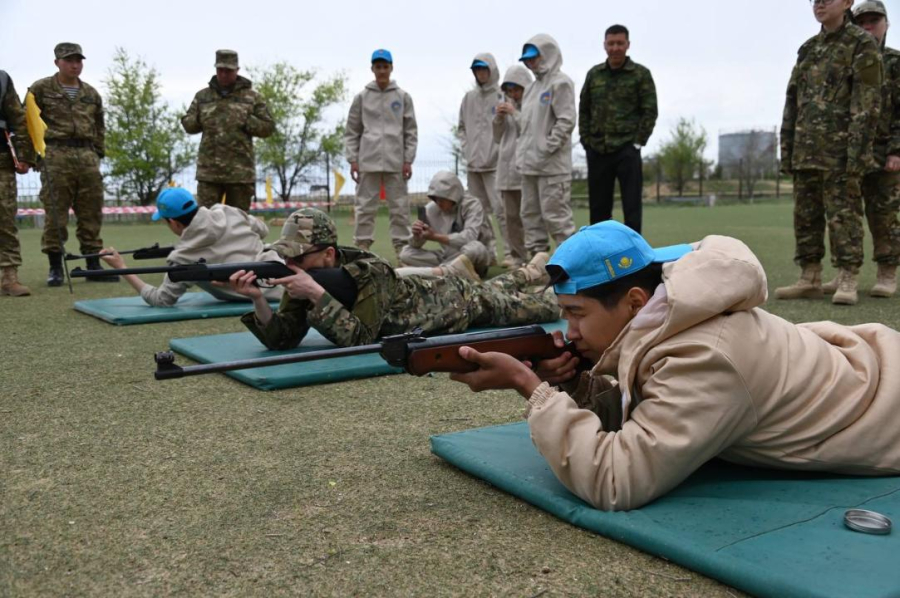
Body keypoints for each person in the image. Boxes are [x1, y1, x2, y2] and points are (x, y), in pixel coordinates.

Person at [449, 220, 900, 511]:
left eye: (577, 313)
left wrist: (532, 388)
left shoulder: (705, 358)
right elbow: (650, 410)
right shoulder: (673, 311)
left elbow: (615, 478)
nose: (569, 330)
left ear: (634, 302)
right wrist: (574, 388)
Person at [227, 208, 557, 350]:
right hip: (454, 293)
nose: (290, 264)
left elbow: (362, 340)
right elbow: (282, 339)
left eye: (298, 257)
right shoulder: (309, 276)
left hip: (455, 303)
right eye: (286, 257)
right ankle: (528, 272)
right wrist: (258, 300)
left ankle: (551, 282)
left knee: (542, 309)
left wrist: (315, 294)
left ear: (328, 254)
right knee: (494, 288)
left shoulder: (371, 271)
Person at [777, 0, 883, 305]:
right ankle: (809, 276)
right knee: (805, 216)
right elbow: (793, 101)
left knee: (844, 216)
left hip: (841, 151)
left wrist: (858, 153)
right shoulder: (808, 49)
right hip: (806, 148)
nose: (819, 3)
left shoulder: (861, 43)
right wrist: (788, 148)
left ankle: (848, 276)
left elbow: (867, 103)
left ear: (848, 2)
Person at [822, 0, 900, 298]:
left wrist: (896, 150)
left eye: (874, 21)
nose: (868, 27)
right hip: (847, 150)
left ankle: (887, 272)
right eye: (862, 22)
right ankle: (844, 272)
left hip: (883, 153)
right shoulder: (842, 60)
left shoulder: (895, 62)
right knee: (843, 215)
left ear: (886, 25)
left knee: (884, 215)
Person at [99, 187, 282, 306]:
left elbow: (161, 299)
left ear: (173, 222)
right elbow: (263, 230)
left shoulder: (183, 257)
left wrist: (122, 268)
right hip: (284, 266)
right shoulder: (227, 211)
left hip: (271, 295)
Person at [29, 42, 118, 285]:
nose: (75, 65)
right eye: (69, 60)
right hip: (55, 156)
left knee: (91, 212)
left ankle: (92, 264)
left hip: (86, 157)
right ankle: (56, 267)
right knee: (56, 213)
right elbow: (29, 121)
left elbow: (99, 125)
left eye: (78, 60)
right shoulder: (41, 89)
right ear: (57, 62)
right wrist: (34, 155)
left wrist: (97, 152)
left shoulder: (90, 93)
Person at [502, 34, 576, 257]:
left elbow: (566, 120)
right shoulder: (533, 88)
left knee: (556, 218)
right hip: (529, 167)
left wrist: (547, 148)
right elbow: (526, 125)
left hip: (551, 168)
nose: (530, 63)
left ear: (548, 54)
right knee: (530, 217)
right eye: (527, 59)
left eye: (534, 57)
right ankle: (538, 265)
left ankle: (570, 267)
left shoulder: (560, 82)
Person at [579, 24, 658, 232]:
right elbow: (584, 109)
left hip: (626, 150)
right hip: (597, 150)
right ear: (604, 45)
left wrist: (637, 142)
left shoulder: (640, 75)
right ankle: (600, 256)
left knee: (632, 208)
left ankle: (635, 260)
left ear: (628, 45)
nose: (615, 48)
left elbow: (650, 111)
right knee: (598, 211)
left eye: (619, 43)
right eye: (611, 43)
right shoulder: (594, 75)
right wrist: (586, 141)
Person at [344, 49, 417, 257]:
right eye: (378, 67)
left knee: (400, 209)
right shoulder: (362, 97)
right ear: (372, 69)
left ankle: (403, 250)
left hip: (396, 161)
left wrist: (408, 159)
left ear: (391, 68)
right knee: (365, 208)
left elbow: (410, 131)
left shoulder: (403, 97)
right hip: (368, 161)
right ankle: (362, 247)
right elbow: (352, 131)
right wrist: (353, 160)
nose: (382, 71)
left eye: (385, 66)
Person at [181, 50, 275, 212]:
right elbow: (189, 125)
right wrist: (201, 119)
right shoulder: (203, 97)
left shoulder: (251, 98)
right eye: (220, 70)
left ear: (237, 70)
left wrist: (246, 120)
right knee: (205, 221)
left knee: (238, 223)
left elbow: (267, 128)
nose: (223, 74)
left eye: (228, 71)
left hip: (239, 174)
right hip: (209, 173)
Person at [458, 53, 512, 267]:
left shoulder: (502, 96)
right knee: (478, 213)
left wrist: (499, 151)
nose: (480, 73)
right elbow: (461, 127)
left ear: (492, 70)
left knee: (502, 211)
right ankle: (488, 253)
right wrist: (466, 148)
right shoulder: (468, 98)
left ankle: (510, 253)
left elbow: (507, 128)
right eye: (477, 69)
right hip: (473, 166)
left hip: (496, 165)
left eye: (484, 69)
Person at [397, 170, 492, 280]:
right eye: (435, 198)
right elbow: (414, 245)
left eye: (442, 198)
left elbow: (469, 238)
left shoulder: (472, 205)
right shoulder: (430, 209)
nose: (438, 202)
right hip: (447, 257)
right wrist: (417, 236)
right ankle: (448, 270)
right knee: (406, 253)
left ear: (453, 195)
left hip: (473, 258)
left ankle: (439, 271)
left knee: (476, 247)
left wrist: (435, 237)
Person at [0, 69, 36, 296]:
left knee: (4, 218)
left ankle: (9, 278)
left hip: (1, 161)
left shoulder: (1, 79)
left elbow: (18, 119)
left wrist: (24, 156)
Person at [493, 64, 533, 267]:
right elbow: (497, 137)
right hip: (505, 172)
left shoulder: (532, 104)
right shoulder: (505, 105)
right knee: (510, 218)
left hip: (525, 170)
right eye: (509, 90)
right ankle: (517, 256)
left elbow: (529, 129)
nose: (513, 94)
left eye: (516, 89)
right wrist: (499, 118)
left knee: (528, 216)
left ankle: (535, 257)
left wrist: (515, 114)